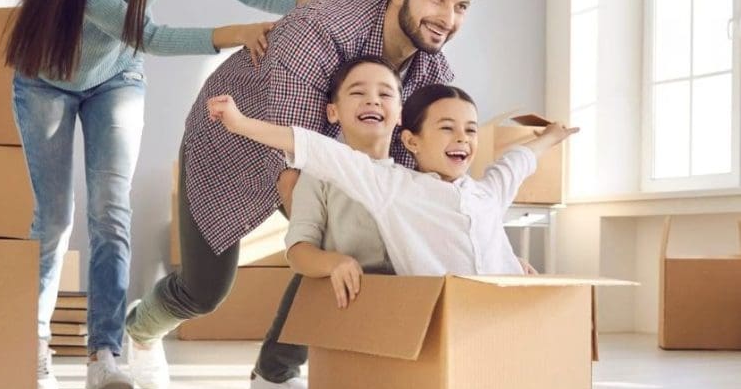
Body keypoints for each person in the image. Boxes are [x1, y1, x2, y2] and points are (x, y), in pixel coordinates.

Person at [124, 0, 488, 389]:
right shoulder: (316, 31)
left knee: (356, 240)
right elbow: (293, 159)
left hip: (323, 158)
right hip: (233, 141)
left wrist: (487, 245)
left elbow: (430, 175)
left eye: (461, 7)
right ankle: (139, 327)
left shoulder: (434, 72)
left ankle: (273, 375)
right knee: (204, 290)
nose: (447, 19)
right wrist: (328, 247)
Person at [4, 0, 308, 389]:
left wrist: (312, 8)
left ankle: (105, 356)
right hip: (47, 82)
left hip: (116, 78)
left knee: (111, 210)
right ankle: (32, 348)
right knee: (54, 219)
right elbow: (146, 34)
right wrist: (231, 33)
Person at [206, 84, 577, 277]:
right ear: (412, 140)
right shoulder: (393, 188)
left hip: (509, 308)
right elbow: (319, 151)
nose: (462, 138)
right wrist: (241, 124)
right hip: (449, 316)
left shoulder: (485, 193)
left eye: (469, 130)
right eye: (447, 128)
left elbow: (517, 161)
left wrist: (550, 136)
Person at [249, 56, 399, 389]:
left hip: (396, 293)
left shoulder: (412, 179)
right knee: (313, 273)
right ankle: (274, 373)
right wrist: (333, 262)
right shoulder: (319, 175)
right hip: (340, 284)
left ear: (401, 113)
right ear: (333, 113)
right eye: (358, 93)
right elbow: (299, 250)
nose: (373, 101)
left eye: (385, 94)